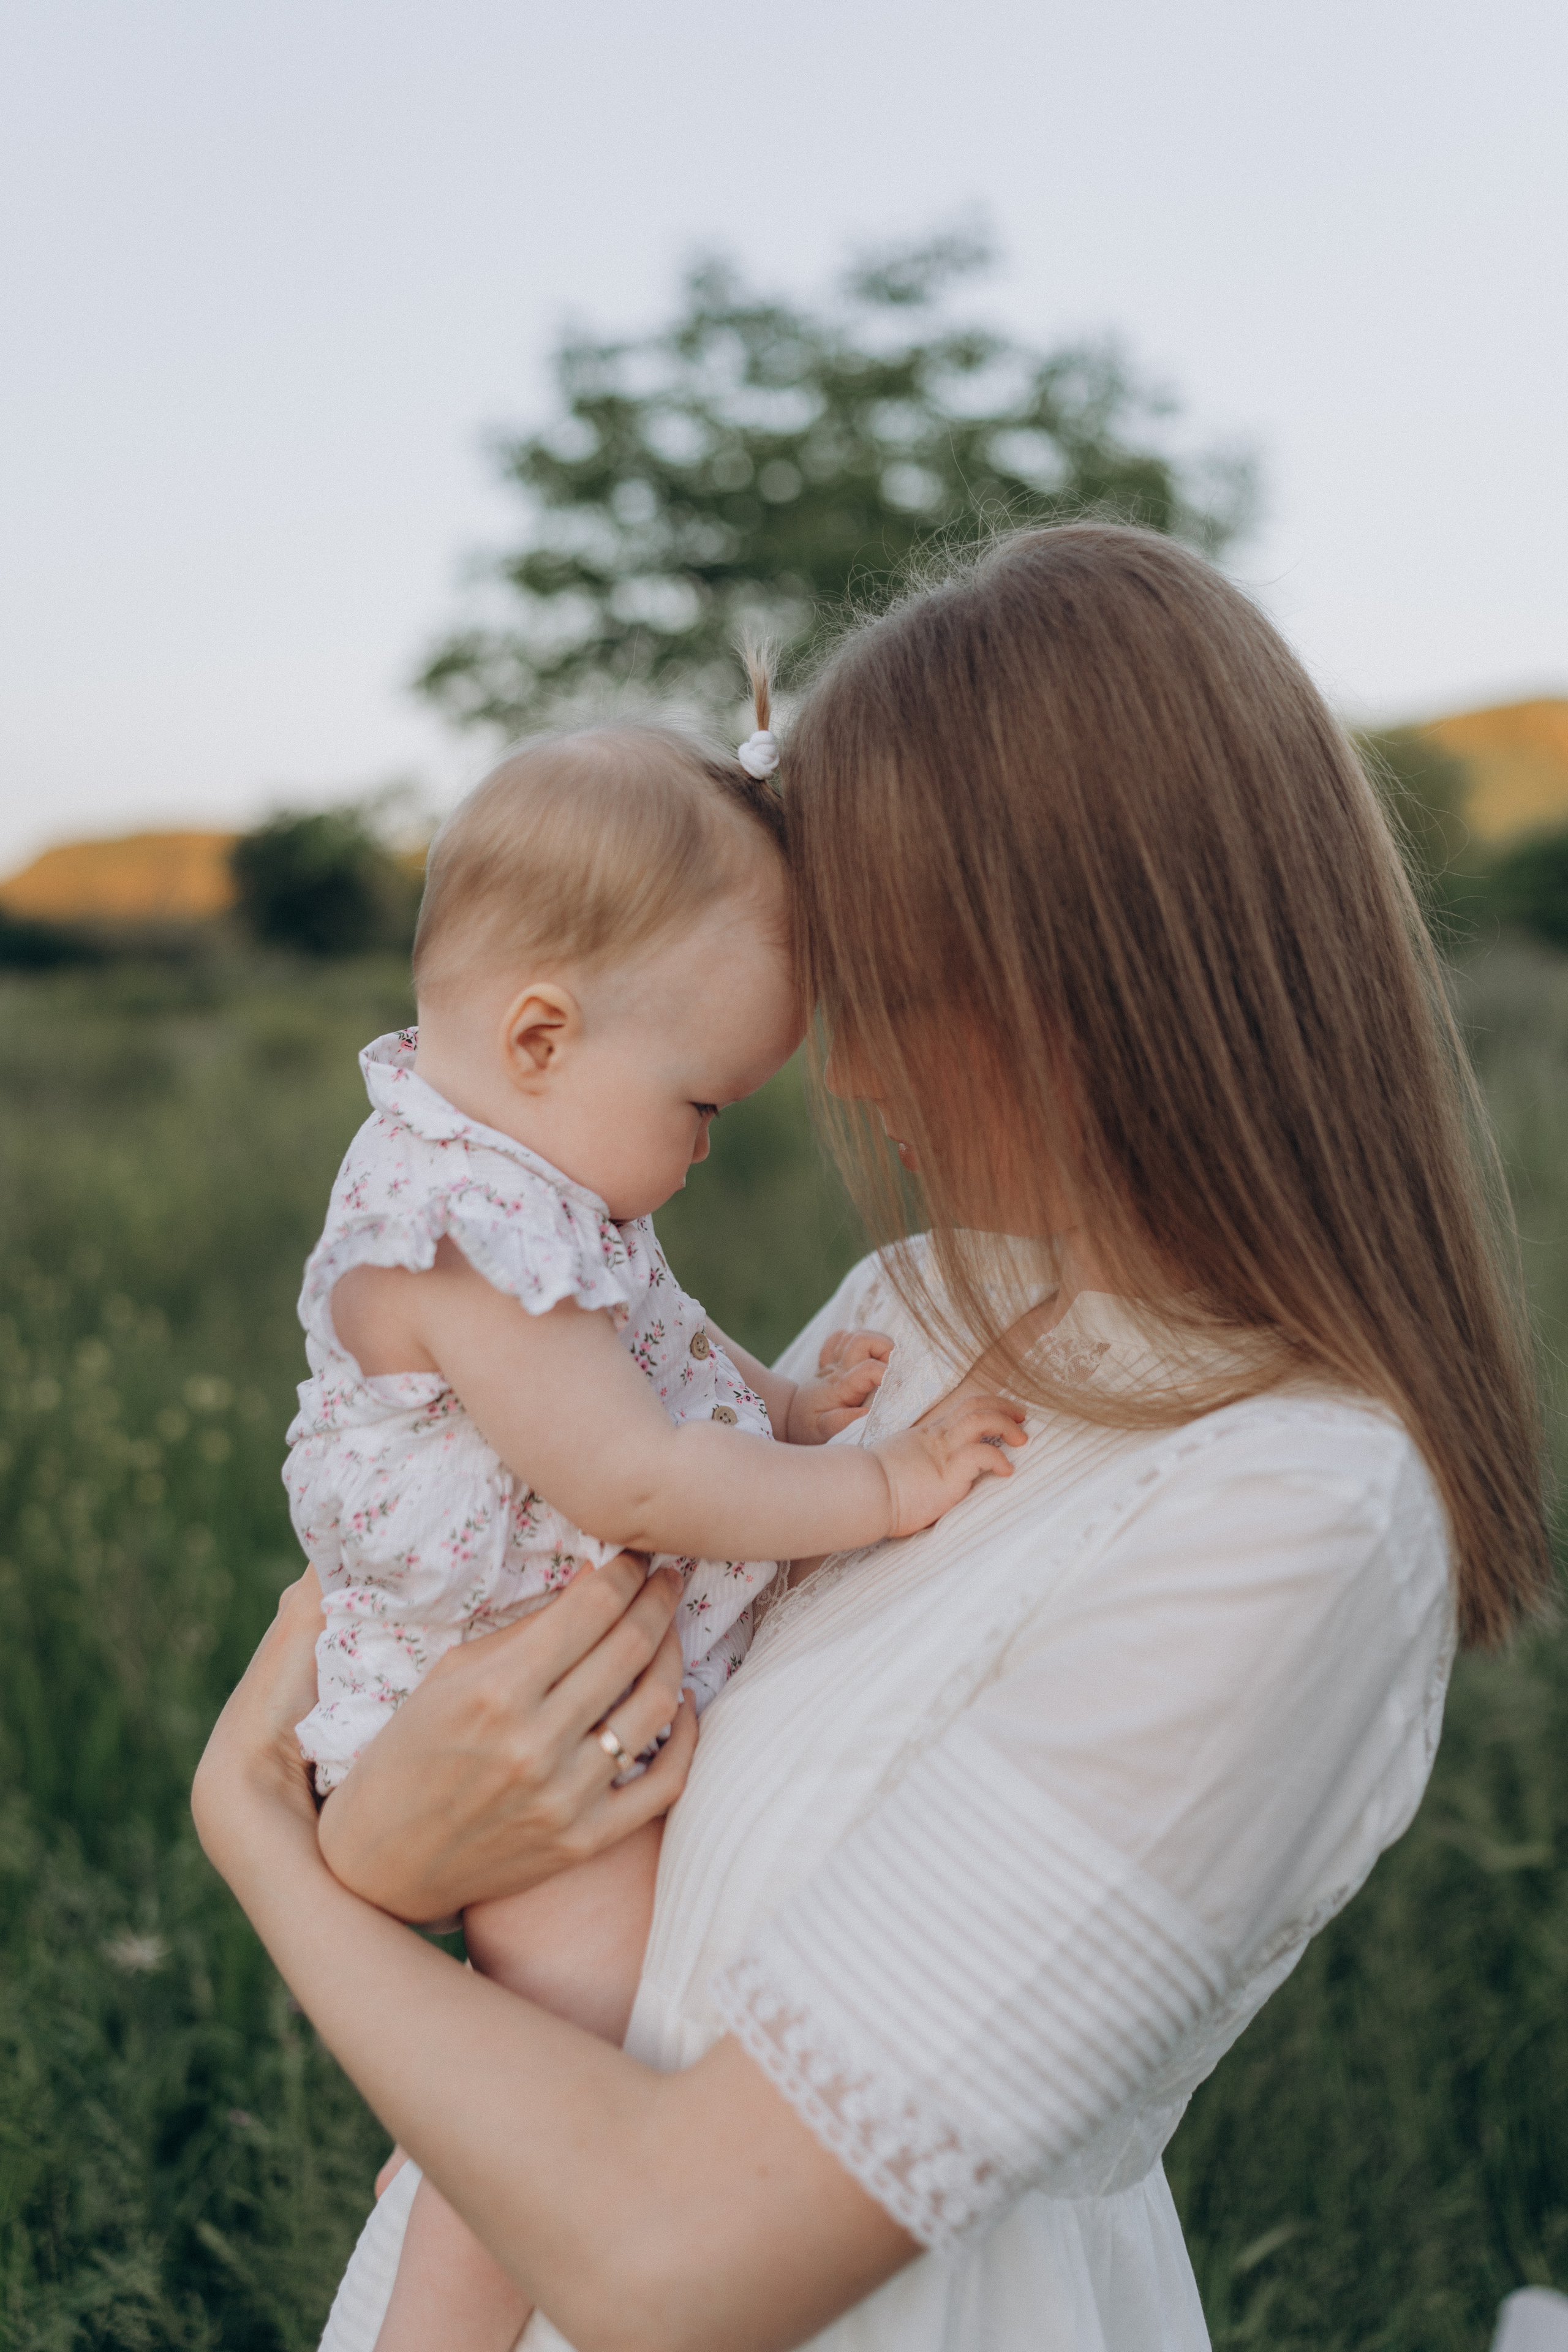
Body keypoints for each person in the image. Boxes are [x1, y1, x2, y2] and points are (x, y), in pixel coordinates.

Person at [194, 523, 1550, 2352]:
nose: (843, 1072)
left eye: (895, 985)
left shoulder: (1291, 1508)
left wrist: (266, 1848)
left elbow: (686, 2271)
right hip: (500, 2208)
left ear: (1096, 979)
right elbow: (528, 1739)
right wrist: (398, 1862)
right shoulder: (915, 1308)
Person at [283, 719, 1024, 2350]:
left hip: (534, 1669)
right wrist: (884, 1491)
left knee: (562, 2044)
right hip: (485, 1699)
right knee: (562, 2052)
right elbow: (626, 1476)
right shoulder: (464, 1231)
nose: (703, 1153)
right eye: (703, 1105)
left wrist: (788, 1412)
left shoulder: (540, 1180)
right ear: (542, 1033)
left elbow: (654, 1349)